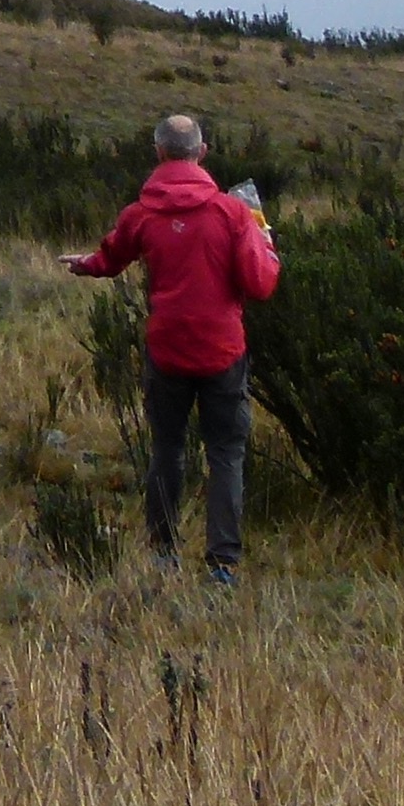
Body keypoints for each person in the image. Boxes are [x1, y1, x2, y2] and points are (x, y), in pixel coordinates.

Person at [64, 114, 281, 585]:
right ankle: (222, 564)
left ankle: (164, 552)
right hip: (223, 351)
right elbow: (260, 285)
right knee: (225, 452)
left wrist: (85, 266)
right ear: (201, 153)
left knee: (168, 448)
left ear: (159, 152)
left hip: (166, 352)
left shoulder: (140, 214)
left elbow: (111, 257)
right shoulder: (233, 214)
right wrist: (268, 248)